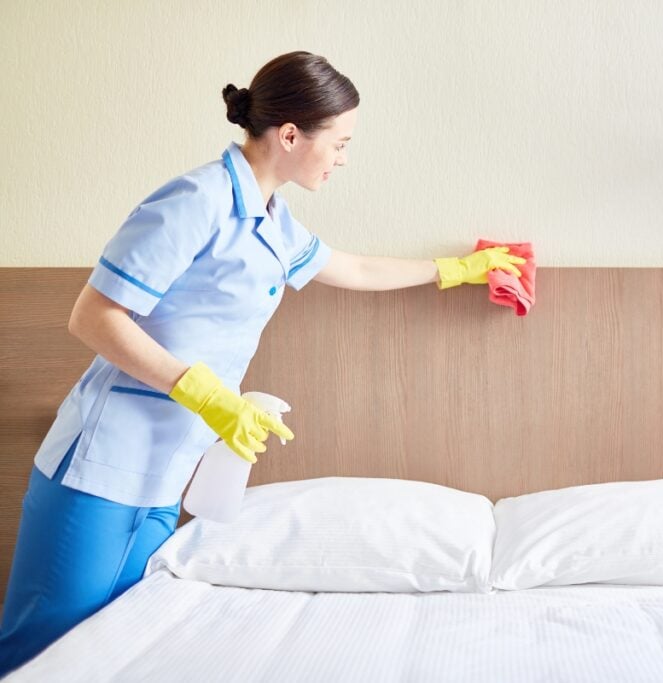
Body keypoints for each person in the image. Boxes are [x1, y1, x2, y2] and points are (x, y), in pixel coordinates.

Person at [0, 50, 525, 676]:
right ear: (291, 134)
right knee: (44, 649)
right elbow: (92, 317)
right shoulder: (196, 200)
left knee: (117, 649)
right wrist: (204, 391)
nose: (343, 159)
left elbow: (350, 268)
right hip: (100, 467)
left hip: (168, 473)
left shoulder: (274, 219)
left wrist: (459, 271)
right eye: (340, 143)